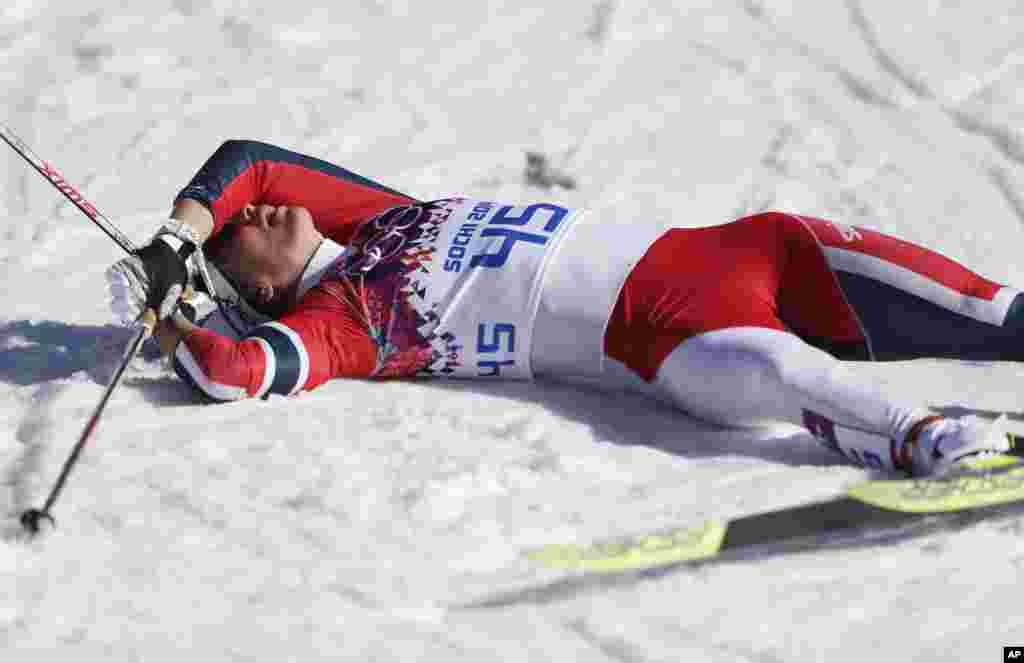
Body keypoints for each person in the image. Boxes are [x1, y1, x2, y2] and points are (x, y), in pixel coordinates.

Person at [107, 139, 1018, 478]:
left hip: (737, 248)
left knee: (992, 311)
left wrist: (178, 237)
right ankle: (931, 437)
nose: (252, 212)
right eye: (237, 236)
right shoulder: (343, 319)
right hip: (662, 336)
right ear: (260, 287)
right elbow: (233, 370)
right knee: (787, 377)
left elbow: (248, 160)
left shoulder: (378, 216)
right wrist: (170, 315)